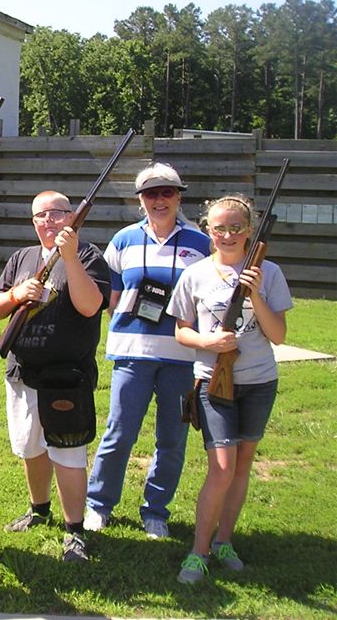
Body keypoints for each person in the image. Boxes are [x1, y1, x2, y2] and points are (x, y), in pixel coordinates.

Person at [167, 195, 292, 584]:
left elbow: (279, 335)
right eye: (219, 228)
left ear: (249, 231)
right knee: (221, 467)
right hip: (212, 381)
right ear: (208, 230)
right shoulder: (196, 274)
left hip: (259, 381)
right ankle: (198, 552)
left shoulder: (267, 273)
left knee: (242, 465)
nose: (227, 235)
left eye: (236, 227)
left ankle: (224, 542)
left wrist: (253, 293)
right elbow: (181, 330)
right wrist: (209, 344)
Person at [85, 162, 210, 538]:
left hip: (181, 356)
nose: (159, 200)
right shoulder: (123, 240)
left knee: (172, 437)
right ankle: (98, 504)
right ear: (140, 200)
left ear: (178, 196)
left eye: (167, 192)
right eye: (150, 194)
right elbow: (110, 297)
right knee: (119, 432)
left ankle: (156, 510)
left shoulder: (201, 243)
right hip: (132, 351)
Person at [0, 191, 110, 563]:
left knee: (69, 451)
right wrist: (16, 295)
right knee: (30, 446)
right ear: (33, 221)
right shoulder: (21, 258)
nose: (49, 221)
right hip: (23, 372)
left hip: (66, 378)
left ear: (72, 217)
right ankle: (38, 509)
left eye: (58, 213)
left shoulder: (88, 256)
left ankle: (75, 531)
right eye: (41, 215)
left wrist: (69, 258)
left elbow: (90, 306)